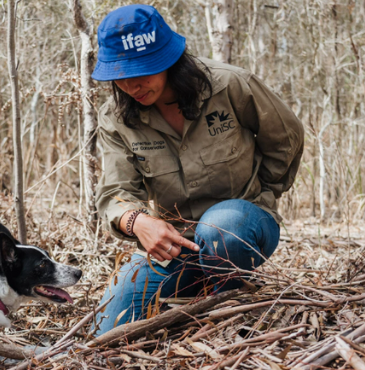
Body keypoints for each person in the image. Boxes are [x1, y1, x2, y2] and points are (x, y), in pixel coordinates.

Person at [91, 4, 304, 335]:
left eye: (142, 71)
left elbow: (285, 139)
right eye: (121, 76)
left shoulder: (230, 86)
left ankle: (229, 301)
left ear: (168, 59)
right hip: (176, 244)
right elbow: (114, 192)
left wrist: (264, 194)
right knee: (108, 329)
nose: (132, 85)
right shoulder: (116, 119)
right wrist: (138, 222)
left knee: (222, 227)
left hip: (240, 227)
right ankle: (199, 282)